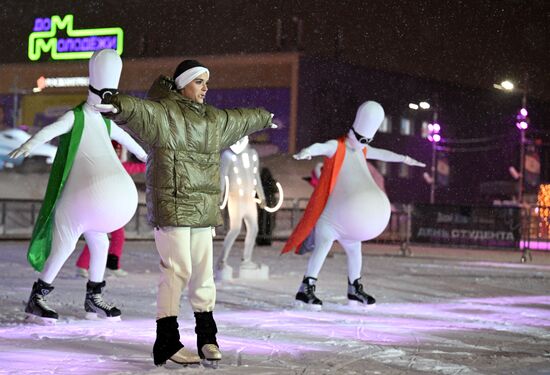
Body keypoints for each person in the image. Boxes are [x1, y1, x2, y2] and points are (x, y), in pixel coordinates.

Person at [95, 59, 275, 367]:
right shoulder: (163, 113)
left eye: (206, 82)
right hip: (173, 206)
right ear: (182, 84)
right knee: (176, 272)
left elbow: (240, 119)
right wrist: (116, 102)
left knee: (204, 274)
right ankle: (167, 341)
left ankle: (207, 337)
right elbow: (139, 110)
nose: (205, 88)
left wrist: (264, 116)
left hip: (202, 210)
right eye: (199, 82)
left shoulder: (212, 119)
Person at [8, 49, 147, 324]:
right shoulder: (77, 117)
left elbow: (129, 140)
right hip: (74, 203)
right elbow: (51, 130)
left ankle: (93, 297)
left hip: (95, 209)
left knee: (101, 245)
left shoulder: (105, 123)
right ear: (92, 90)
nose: (106, 104)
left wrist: (148, 157)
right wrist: (27, 145)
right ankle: (37, 297)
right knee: (64, 247)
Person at [282, 101, 425, 310]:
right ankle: (306, 288)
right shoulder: (337, 146)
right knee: (322, 248)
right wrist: (307, 151)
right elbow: (321, 147)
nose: (364, 143)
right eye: (361, 139)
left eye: (368, 140)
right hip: (330, 217)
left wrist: (405, 159)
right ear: (353, 132)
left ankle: (354, 288)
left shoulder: (363, 150)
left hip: (350, 221)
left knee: (355, 252)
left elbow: (384, 154)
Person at [75, 141, 146, 278]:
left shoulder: (104, 166)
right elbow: (138, 167)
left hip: (105, 208)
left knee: (99, 236)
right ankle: (108, 265)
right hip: (108, 210)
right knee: (111, 236)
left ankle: (83, 265)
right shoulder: (119, 167)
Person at [216, 136, 266, 276]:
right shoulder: (228, 155)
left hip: (249, 199)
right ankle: (222, 261)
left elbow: (255, 176)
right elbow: (222, 176)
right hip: (235, 198)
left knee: (253, 228)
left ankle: (247, 260)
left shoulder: (252, 154)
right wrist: (220, 195)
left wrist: (261, 195)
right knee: (235, 229)